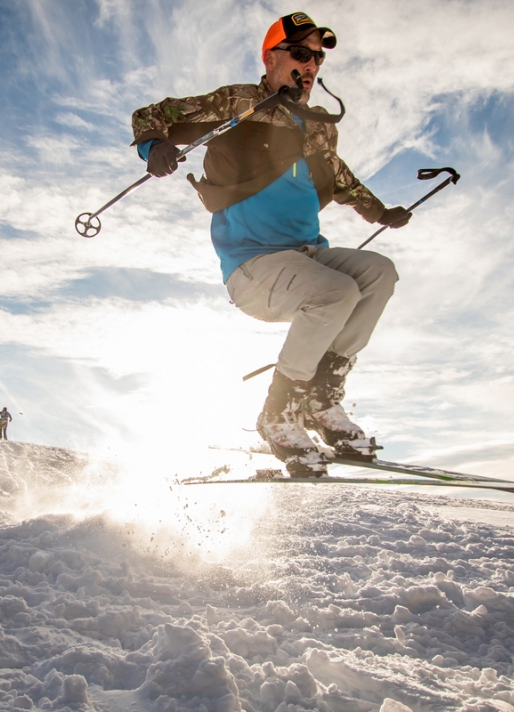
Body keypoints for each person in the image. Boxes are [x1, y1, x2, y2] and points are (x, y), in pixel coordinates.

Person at [130, 12, 410, 477]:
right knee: (337, 292)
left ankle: (320, 398)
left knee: (379, 272)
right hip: (253, 264)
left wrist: (380, 212)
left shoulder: (319, 127)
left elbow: (341, 178)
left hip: (305, 255)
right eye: (300, 53)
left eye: (317, 57)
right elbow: (152, 115)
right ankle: (278, 412)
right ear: (271, 58)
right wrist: (153, 146)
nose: (311, 64)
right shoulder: (240, 102)